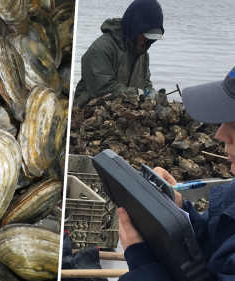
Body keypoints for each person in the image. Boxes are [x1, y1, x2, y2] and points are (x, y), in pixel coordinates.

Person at [118, 67, 235, 280]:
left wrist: (143, 265)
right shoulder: (231, 197)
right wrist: (178, 214)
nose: (220, 134)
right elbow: (214, 249)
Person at [73, 0, 164, 108]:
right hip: (89, 110)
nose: (148, 41)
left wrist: (153, 95)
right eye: (146, 35)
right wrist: (138, 94)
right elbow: (102, 89)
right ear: (134, 28)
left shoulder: (143, 53)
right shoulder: (101, 49)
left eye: (153, 38)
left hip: (125, 112)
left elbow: (146, 83)